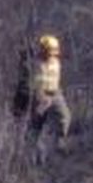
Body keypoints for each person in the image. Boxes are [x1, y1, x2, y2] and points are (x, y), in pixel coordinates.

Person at [20, 34, 72, 164]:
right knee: (35, 127)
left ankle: (60, 141)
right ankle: (35, 157)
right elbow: (27, 72)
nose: (52, 55)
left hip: (55, 93)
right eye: (49, 51)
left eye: (54, 52)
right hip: (40, 96)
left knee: (65, 116)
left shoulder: (56, 61)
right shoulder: (35, 63)